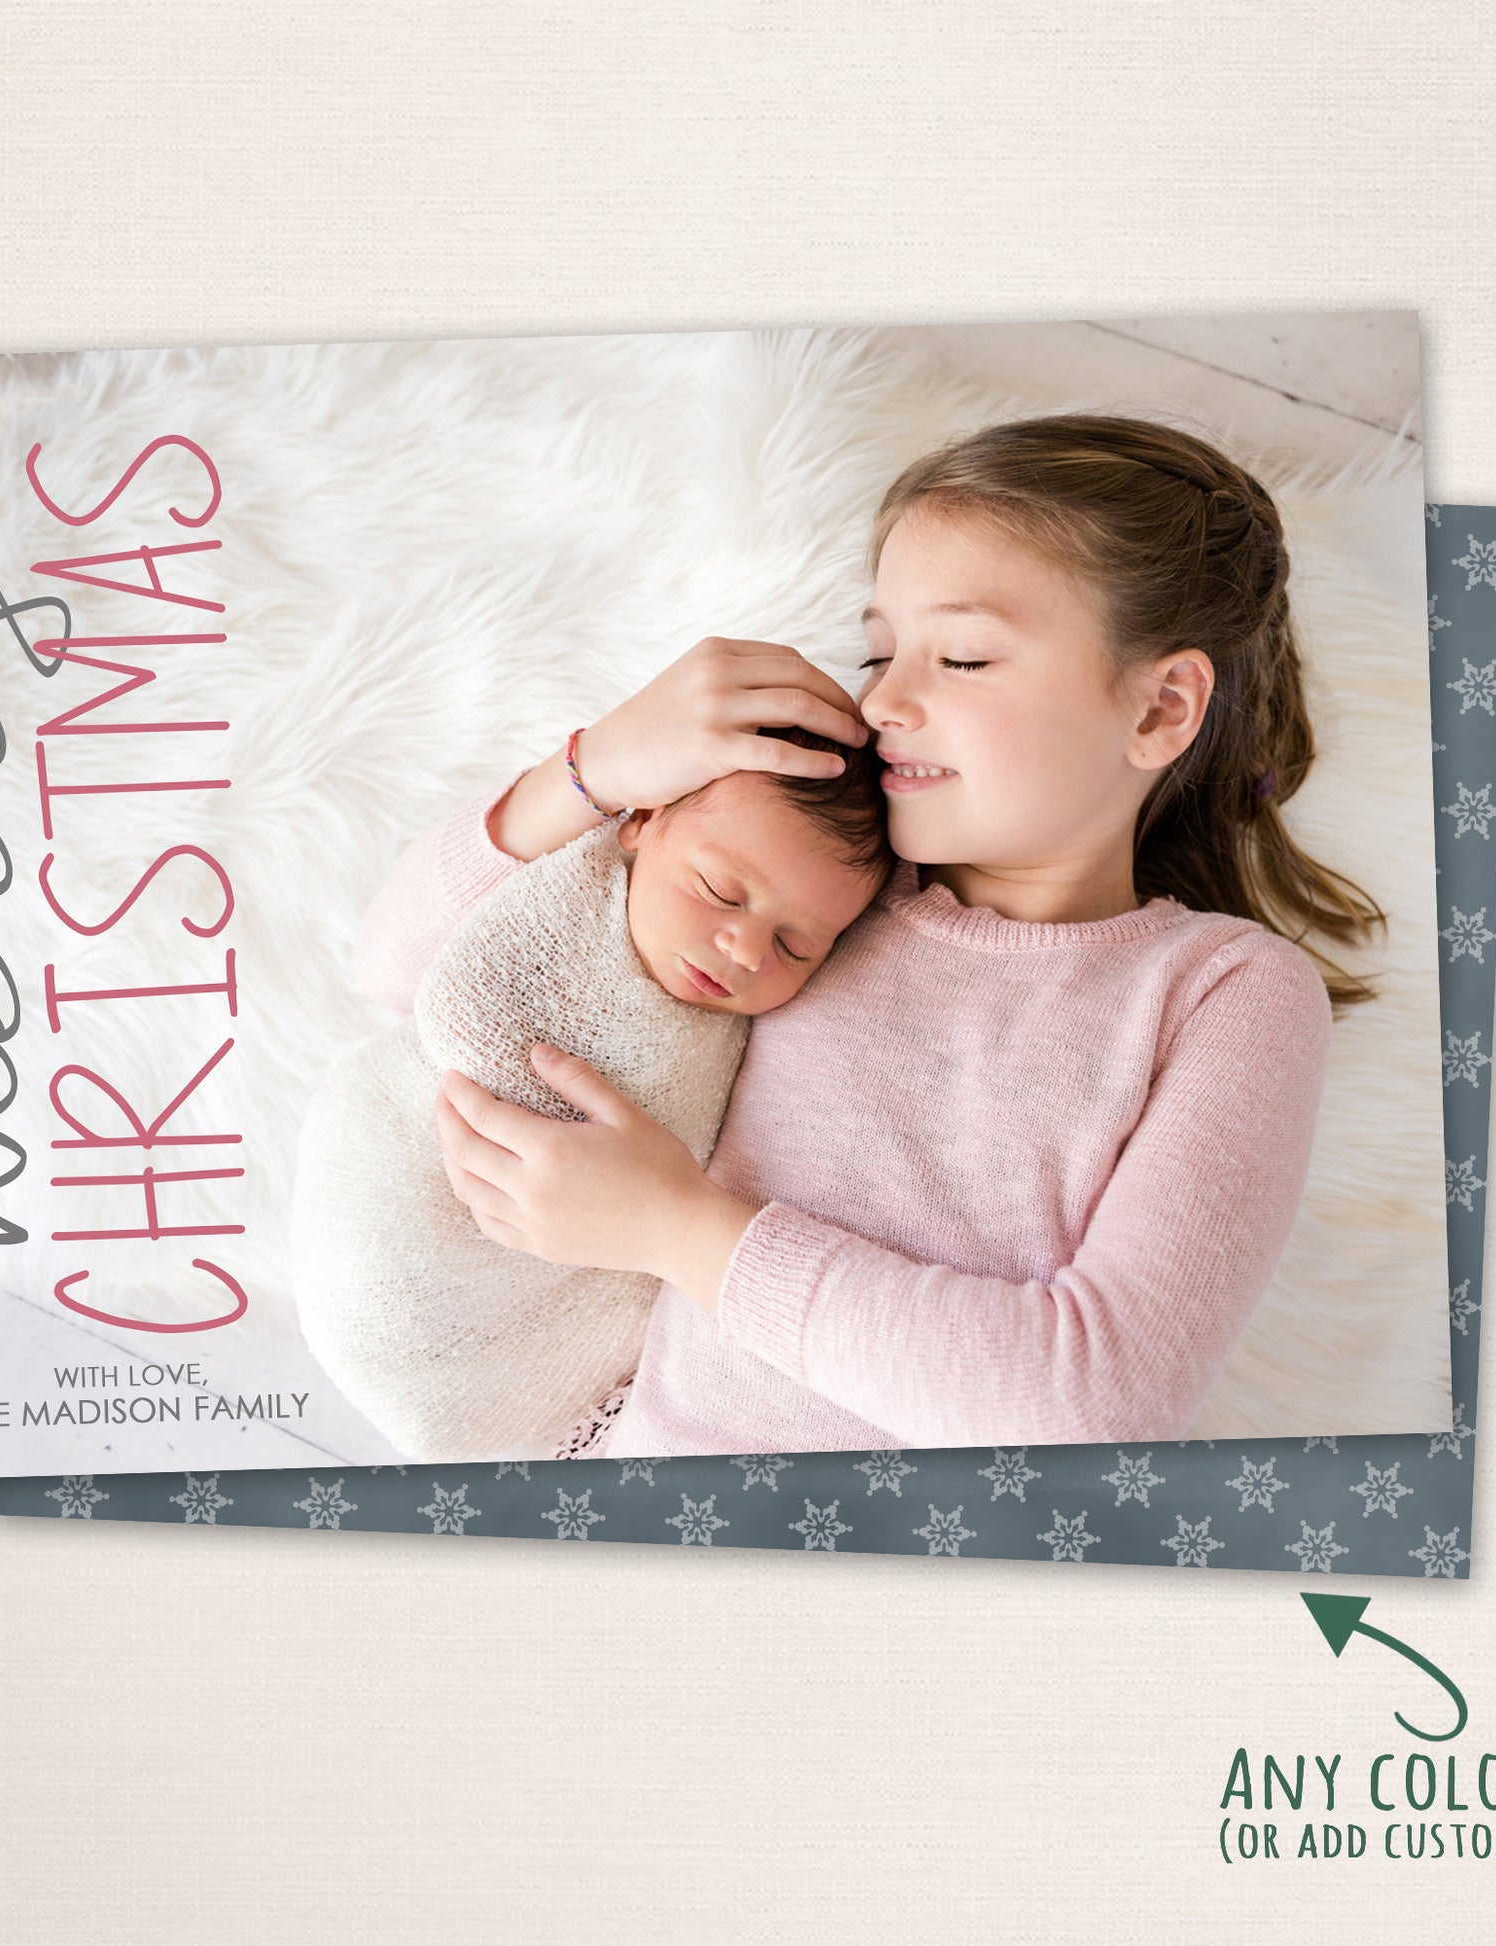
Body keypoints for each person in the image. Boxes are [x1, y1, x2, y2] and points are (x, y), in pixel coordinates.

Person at [362, 413, 1386, 1458]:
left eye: (963, 656)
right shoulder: (813, 900)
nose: (884, 697)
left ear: (1161, 708)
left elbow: (1090, 1408)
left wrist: (674, 1225)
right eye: (879, 649)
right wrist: (597, 765)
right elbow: (405, 972)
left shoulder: (1221, 992)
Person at [294, 726, 889, 1462]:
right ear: (640, 823)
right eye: (720, 891)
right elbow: (450, 1007)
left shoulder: (767, 1033)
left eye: (796, 945)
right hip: (404, 1192)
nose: (744, 948)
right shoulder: (560, 906)